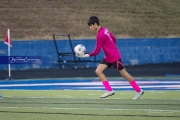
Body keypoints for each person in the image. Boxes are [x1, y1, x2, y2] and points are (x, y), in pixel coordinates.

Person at [76, 16, 144, 100]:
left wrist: (84, 55)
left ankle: (138, 90)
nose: (90, 28)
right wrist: (110, 48)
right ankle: (109, 90)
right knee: (98, 71)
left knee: (124, 74)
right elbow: (114, 39)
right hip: (108, 56)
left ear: (96, 24)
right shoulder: (105, 29)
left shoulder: (100, 35)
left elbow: (96, 51)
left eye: (91, 26)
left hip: (114, 57)